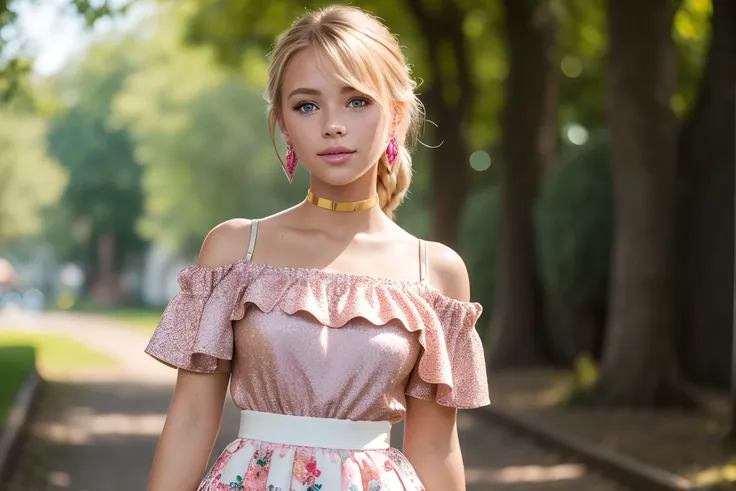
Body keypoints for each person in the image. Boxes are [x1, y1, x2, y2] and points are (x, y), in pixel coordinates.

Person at [144, 5, 489, 491]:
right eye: (307, 105)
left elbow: (434, 448)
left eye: (356, 101)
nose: (332, 125)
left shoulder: (434, 271)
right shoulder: (236, 250)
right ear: (283, 124)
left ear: (395, 115)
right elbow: (192, 423)